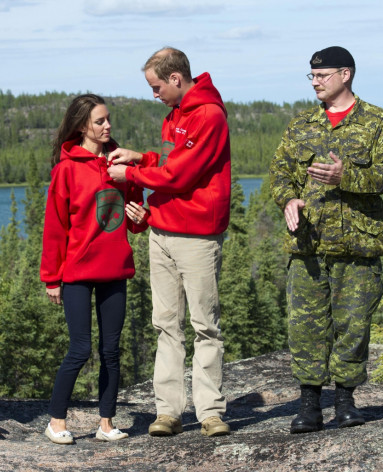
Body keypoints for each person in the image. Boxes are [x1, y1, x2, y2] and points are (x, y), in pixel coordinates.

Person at [269, 46, 383, 433]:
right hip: (309, 242)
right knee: (306, 326)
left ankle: (346, 401)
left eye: (322, 76)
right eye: (311, 76)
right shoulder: (301, 125)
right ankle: (309, 405)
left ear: (346, 74)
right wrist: (288, 198)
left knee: (353, 324)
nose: (315, 83)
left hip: (358, 244)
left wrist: (347, 178)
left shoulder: (376, 122)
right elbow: (280, 172)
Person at [107, 47, 232, 437]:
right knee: (165, 325)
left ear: (176, 78)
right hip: (161, 231)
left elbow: (179, 175)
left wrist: (131, 174)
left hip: (197, 236)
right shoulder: (174, 115)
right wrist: (141, 158)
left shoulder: (209, 115)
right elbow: (167, 161)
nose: (154, 94)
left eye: (157, 86)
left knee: (203, 326)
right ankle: (169, 412)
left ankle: (209, 412)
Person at [40, 93, 148, 445]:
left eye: (108, 119)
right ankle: (56, 421)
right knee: (80, 349)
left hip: (115, 269)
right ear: (82, 125)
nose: (108, 126)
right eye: (100, 121)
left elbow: (133, 220)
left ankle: (106, 424)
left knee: (112, 351)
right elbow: (54, 228)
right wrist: (51, 279)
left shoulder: (121, 165)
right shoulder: (67, 168)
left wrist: (141, 218)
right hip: (76, 274)